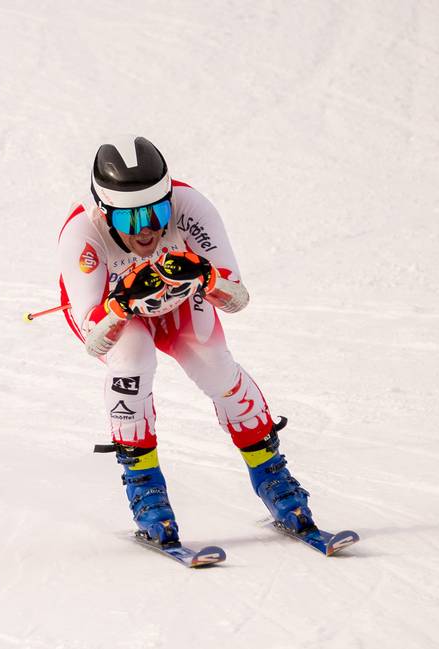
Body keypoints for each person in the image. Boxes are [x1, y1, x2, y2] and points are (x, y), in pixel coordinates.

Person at [57, 135, 314, 546]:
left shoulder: (191, 207)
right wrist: (121, 305)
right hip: (117, 316)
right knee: (133, 360)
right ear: (104, 214)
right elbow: (94, 341)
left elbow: (238, 299)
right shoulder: (81, 235)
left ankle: (274, 477)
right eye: (129, 221)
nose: (147, 230)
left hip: (178, 303)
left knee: (216, 367)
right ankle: (145, 491)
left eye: (158, 212)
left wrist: (207, 277)